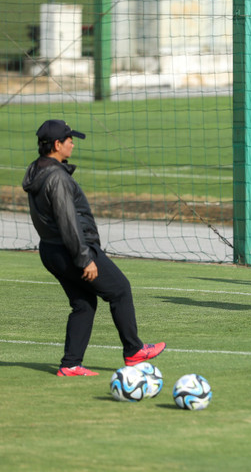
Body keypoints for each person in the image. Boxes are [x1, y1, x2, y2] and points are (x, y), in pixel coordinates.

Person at [22, 119, 165, 376]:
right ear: (57, 145)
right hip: (72, 249)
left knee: (84, 303)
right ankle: (134, 350)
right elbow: (68, 222)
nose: (72, 144)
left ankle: (70, 364)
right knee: (120, 289)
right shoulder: (57, 178)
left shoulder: (37, 170)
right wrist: (84, 258)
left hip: (51, 250)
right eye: (69, 140)